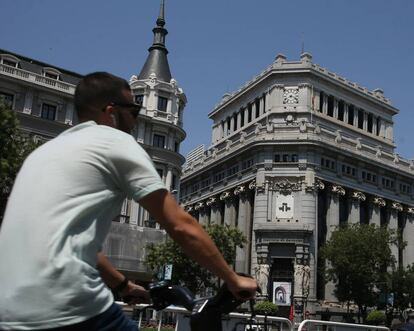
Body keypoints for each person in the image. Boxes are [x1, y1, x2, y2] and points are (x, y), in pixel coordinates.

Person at [0, 72, 257, 330]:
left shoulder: (42, 153)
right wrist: (232, 279)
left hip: (10, 311)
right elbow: (180, 224)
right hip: (65, 306)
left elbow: (74, 243)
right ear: (111, 112)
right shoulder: (114, 140)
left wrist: (123, 285)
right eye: (134, 111)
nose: (135, 121)